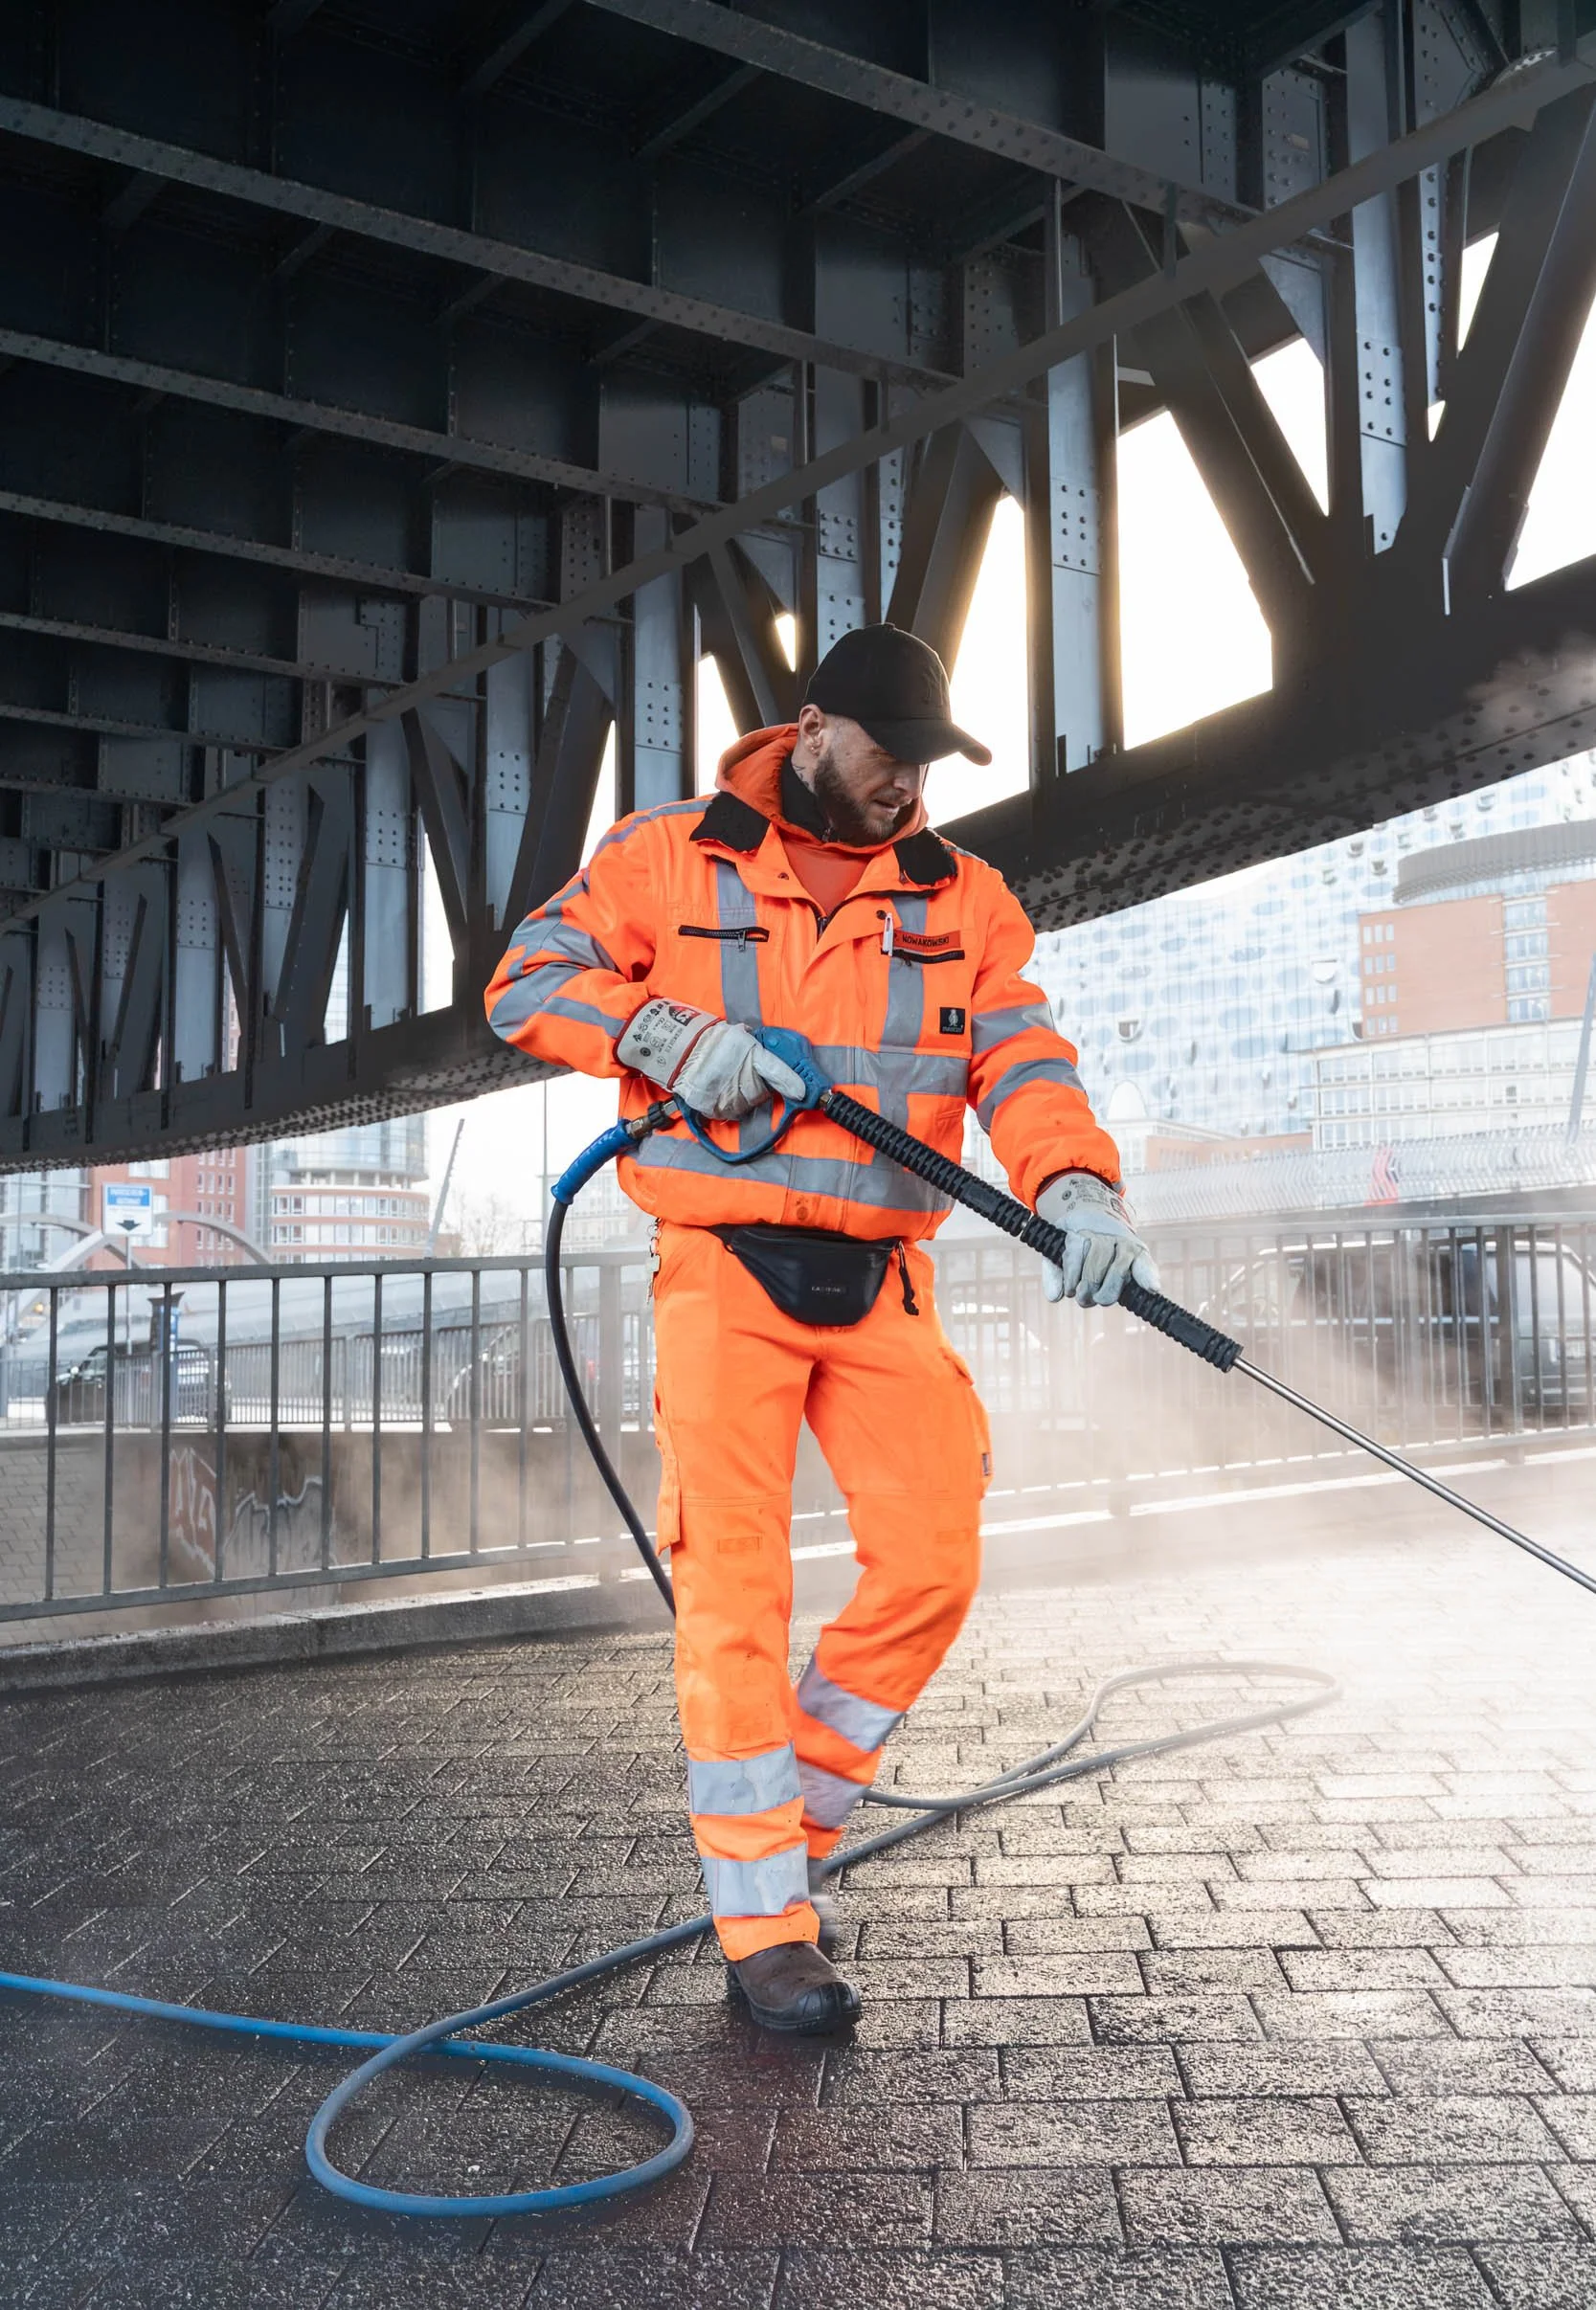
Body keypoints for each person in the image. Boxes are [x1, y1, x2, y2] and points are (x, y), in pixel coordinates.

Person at [485, 624, 1155, 2032]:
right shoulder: (667, 856)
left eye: (925, 762)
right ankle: (764, 1932)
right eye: (884, 755)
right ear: (808, 730)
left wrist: (1076, 1181)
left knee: (929, 1560)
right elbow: (526, 983)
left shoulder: (961, 895)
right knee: (736, 1593)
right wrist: (663, 1039)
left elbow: (1017, 1056)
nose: (906, 785)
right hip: (723, 1271)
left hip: (883, 1281)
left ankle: (788, 1828)